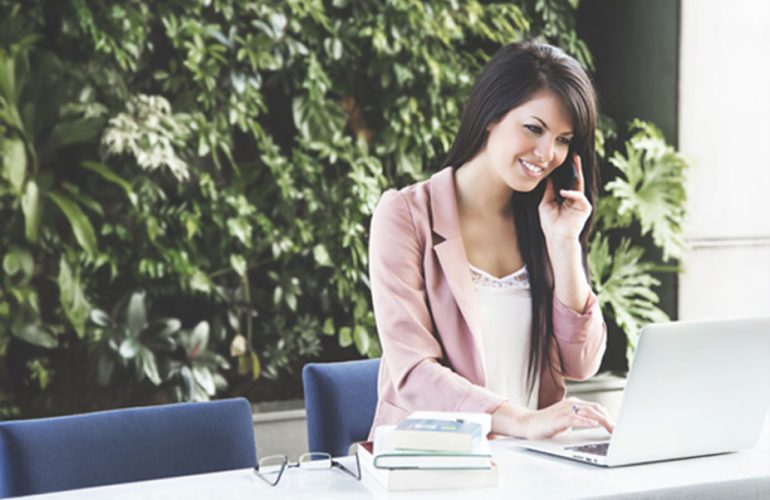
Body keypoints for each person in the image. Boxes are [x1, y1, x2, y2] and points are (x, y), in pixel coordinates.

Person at [368, 41, 615, 440]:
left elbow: (582, 363)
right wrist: (519, 420)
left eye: (564, 139)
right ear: (490, 116)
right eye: (534, 129)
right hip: (436, 460)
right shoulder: (406, 215)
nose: (547, 153)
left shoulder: (546, 222)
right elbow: (411, 371)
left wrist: (565, 245)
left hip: (533, 463)